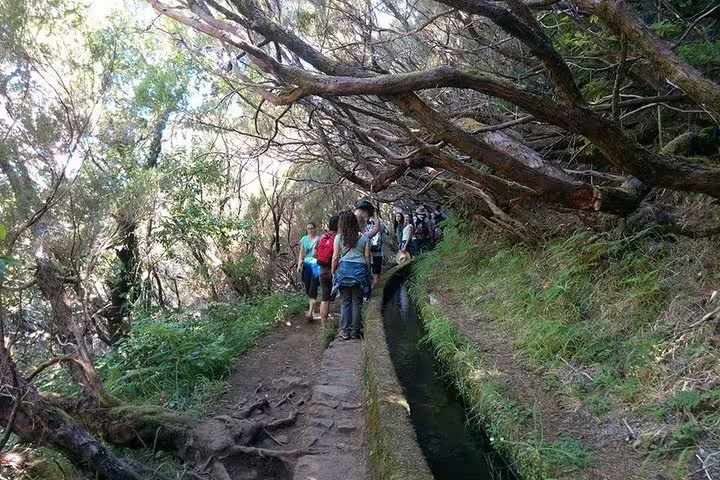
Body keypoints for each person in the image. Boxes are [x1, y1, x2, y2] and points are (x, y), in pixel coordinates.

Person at [332, 211, 371, 340]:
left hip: (343, 271)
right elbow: (367, 256)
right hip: (359, 271)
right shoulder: (364, 237)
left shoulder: (339, 238)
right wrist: (368, 271)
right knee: (357, 302)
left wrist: (334, 271)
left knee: (345, 302)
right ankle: (356, 331)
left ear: (342, 224)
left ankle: (344, 331)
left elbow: (336, 257)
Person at [316, 213, 339, 328]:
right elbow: (337, 255)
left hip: (322, 270)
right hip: (334, 271)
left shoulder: (321, 237)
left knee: (325, 299)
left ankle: (324, 326)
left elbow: (316, 253)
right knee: (343, 297)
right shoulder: (338, 238)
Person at [297, 222, 320, 321]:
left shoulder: (319, 239)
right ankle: (313, 306)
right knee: (307, 289)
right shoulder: (304, 239)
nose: (310, 230)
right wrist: (299, 264)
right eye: (308, 229)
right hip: (306, 266)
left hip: (315, 265)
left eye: (312, 228)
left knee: (313, 288)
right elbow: (301, 253)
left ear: (315, 228)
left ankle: (310, 312)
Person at [366, 217, 387, 286]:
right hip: (368, 253)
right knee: (368, 274)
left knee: (376, 273)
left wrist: (381, 222)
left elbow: (388, 232)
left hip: (377, 253)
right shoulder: (365, 226)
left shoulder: (381, 226)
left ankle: (375, 289)